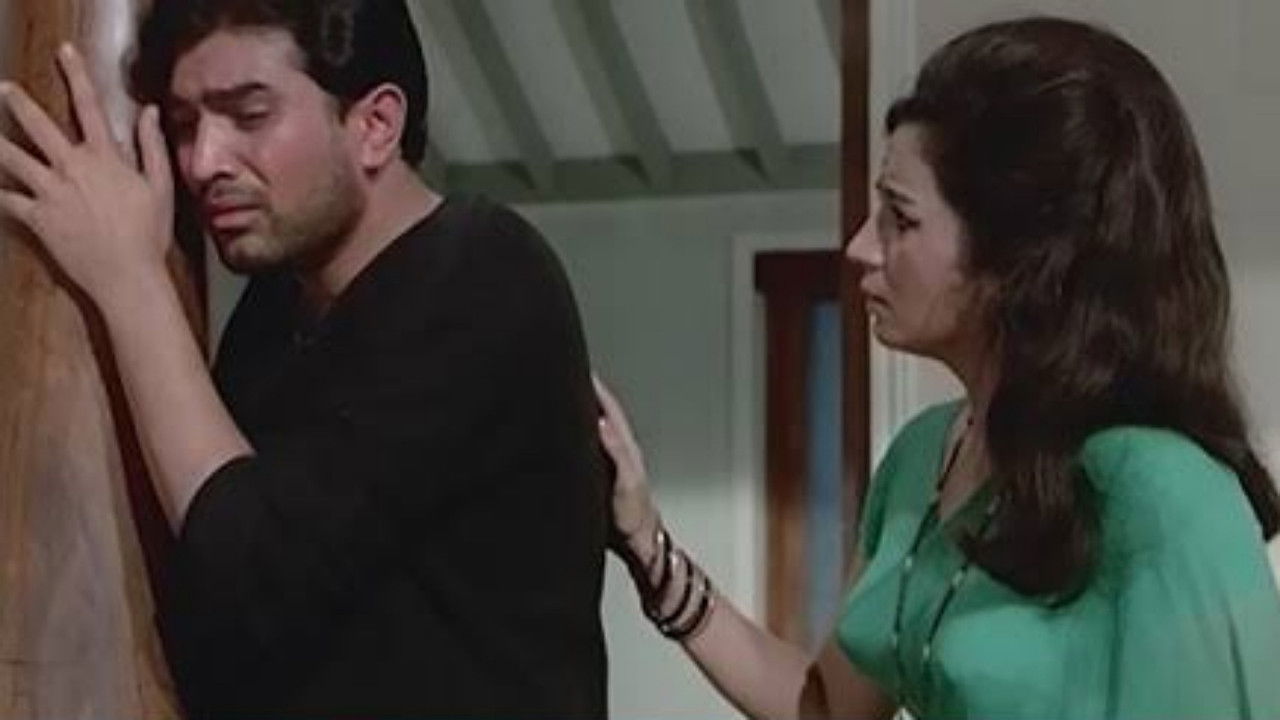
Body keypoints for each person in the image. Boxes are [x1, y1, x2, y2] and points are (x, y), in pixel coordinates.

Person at [595, 16, 1280, 719]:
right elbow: (826, 707)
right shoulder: (923, 457)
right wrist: (648, 545)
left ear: (1019, 258)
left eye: (900, 218)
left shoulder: (1162, 493)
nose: (860, 247)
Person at [0, 0, 608, 717]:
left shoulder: (483, 275)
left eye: (249, 115)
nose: (203, 162)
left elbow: (253, 570)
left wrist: (132, 281)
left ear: (375, 125)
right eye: (187, 125)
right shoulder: (271, 319)